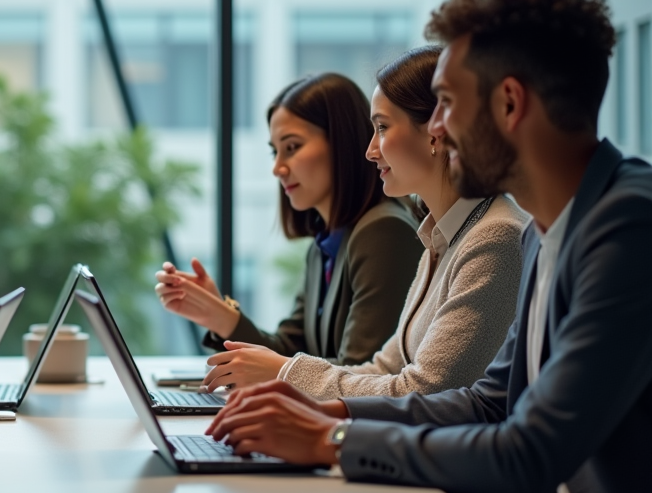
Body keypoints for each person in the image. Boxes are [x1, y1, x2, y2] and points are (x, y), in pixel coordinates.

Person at [206, 0, 652, 493]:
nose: (436, 127)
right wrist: (331, 419)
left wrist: (330, 443)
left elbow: (528, 452)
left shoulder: (627, 226)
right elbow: (487, 400)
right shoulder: (544, 232)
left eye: (444, 102)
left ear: (508, 104)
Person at [201, 47, 528, 397]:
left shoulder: (493, 237)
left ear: (436, 132)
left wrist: (285, 373)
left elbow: (424, 391)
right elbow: (386, 367)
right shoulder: (440, 237)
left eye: (383, 128)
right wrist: (280, 372)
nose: (371, 149)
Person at [156, 73, 424, 369]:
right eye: (275, 151)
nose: (277, 168)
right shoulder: (326, 245)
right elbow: (289, 350)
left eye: (292, 147)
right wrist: (219, 314)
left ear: (342, 143)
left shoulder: (382, 232)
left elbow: (361, 374)